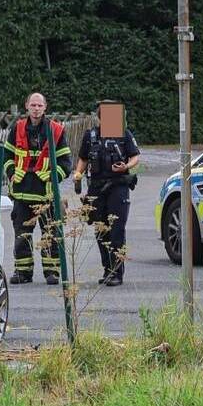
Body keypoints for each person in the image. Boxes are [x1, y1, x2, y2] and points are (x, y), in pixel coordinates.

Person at [2, 92, 72, 284]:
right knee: (22, 235)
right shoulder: (17, 129)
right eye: (33, 105)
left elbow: (66, 163)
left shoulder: (56, 131)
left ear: (45, 107)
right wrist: (10, 173)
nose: (36, 109)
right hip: (22, 193)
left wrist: (52, 176)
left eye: (39, 106)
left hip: (46, 194)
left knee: (50, 234)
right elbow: (6, 156)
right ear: (26, 106)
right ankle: (23, 272)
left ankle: (52, 272)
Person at [76, 103, 141, 287]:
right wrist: (78, 174)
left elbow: (135, 156)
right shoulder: (90, 136)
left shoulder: (124, 134)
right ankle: (107, 269)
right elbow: (83, 158)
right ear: (100, 117)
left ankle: (116, 272)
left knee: (116, 229)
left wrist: (126, 167)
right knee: (100, 230)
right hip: (96, 188)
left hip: (118, 186)